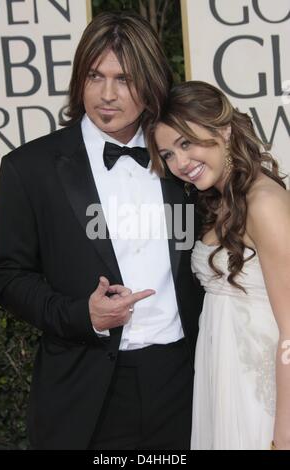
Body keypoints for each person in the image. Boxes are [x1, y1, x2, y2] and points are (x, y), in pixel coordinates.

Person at [0, 13, 203, 450]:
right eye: (94, 75)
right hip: (85, 387)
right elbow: (9, 276)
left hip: (183, 382)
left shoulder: (184, 163)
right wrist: (81, 315)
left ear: (150, 83)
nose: (107, 95)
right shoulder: (29, 169)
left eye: (124, 79)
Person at [147, 80, 290, 450]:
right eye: (167, 154)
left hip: (263, 397)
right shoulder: (218, 202)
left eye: (185, 143)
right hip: (221, 381)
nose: (179, 164)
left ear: (223, 129)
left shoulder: (264, 203)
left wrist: (284, 436)